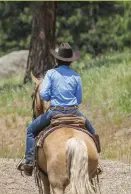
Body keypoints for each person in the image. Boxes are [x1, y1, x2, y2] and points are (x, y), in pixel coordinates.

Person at [18, 42, 97, 176]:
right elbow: (79, 99)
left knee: (30, 130)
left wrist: (51, 95)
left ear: (57, 59)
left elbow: (43, 94)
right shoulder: (76, 76)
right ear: (70, 61)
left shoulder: (51, 73)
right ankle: (95, 165)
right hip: (74, 112)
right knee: (92, 132)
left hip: (55, 112)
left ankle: (29, 161)